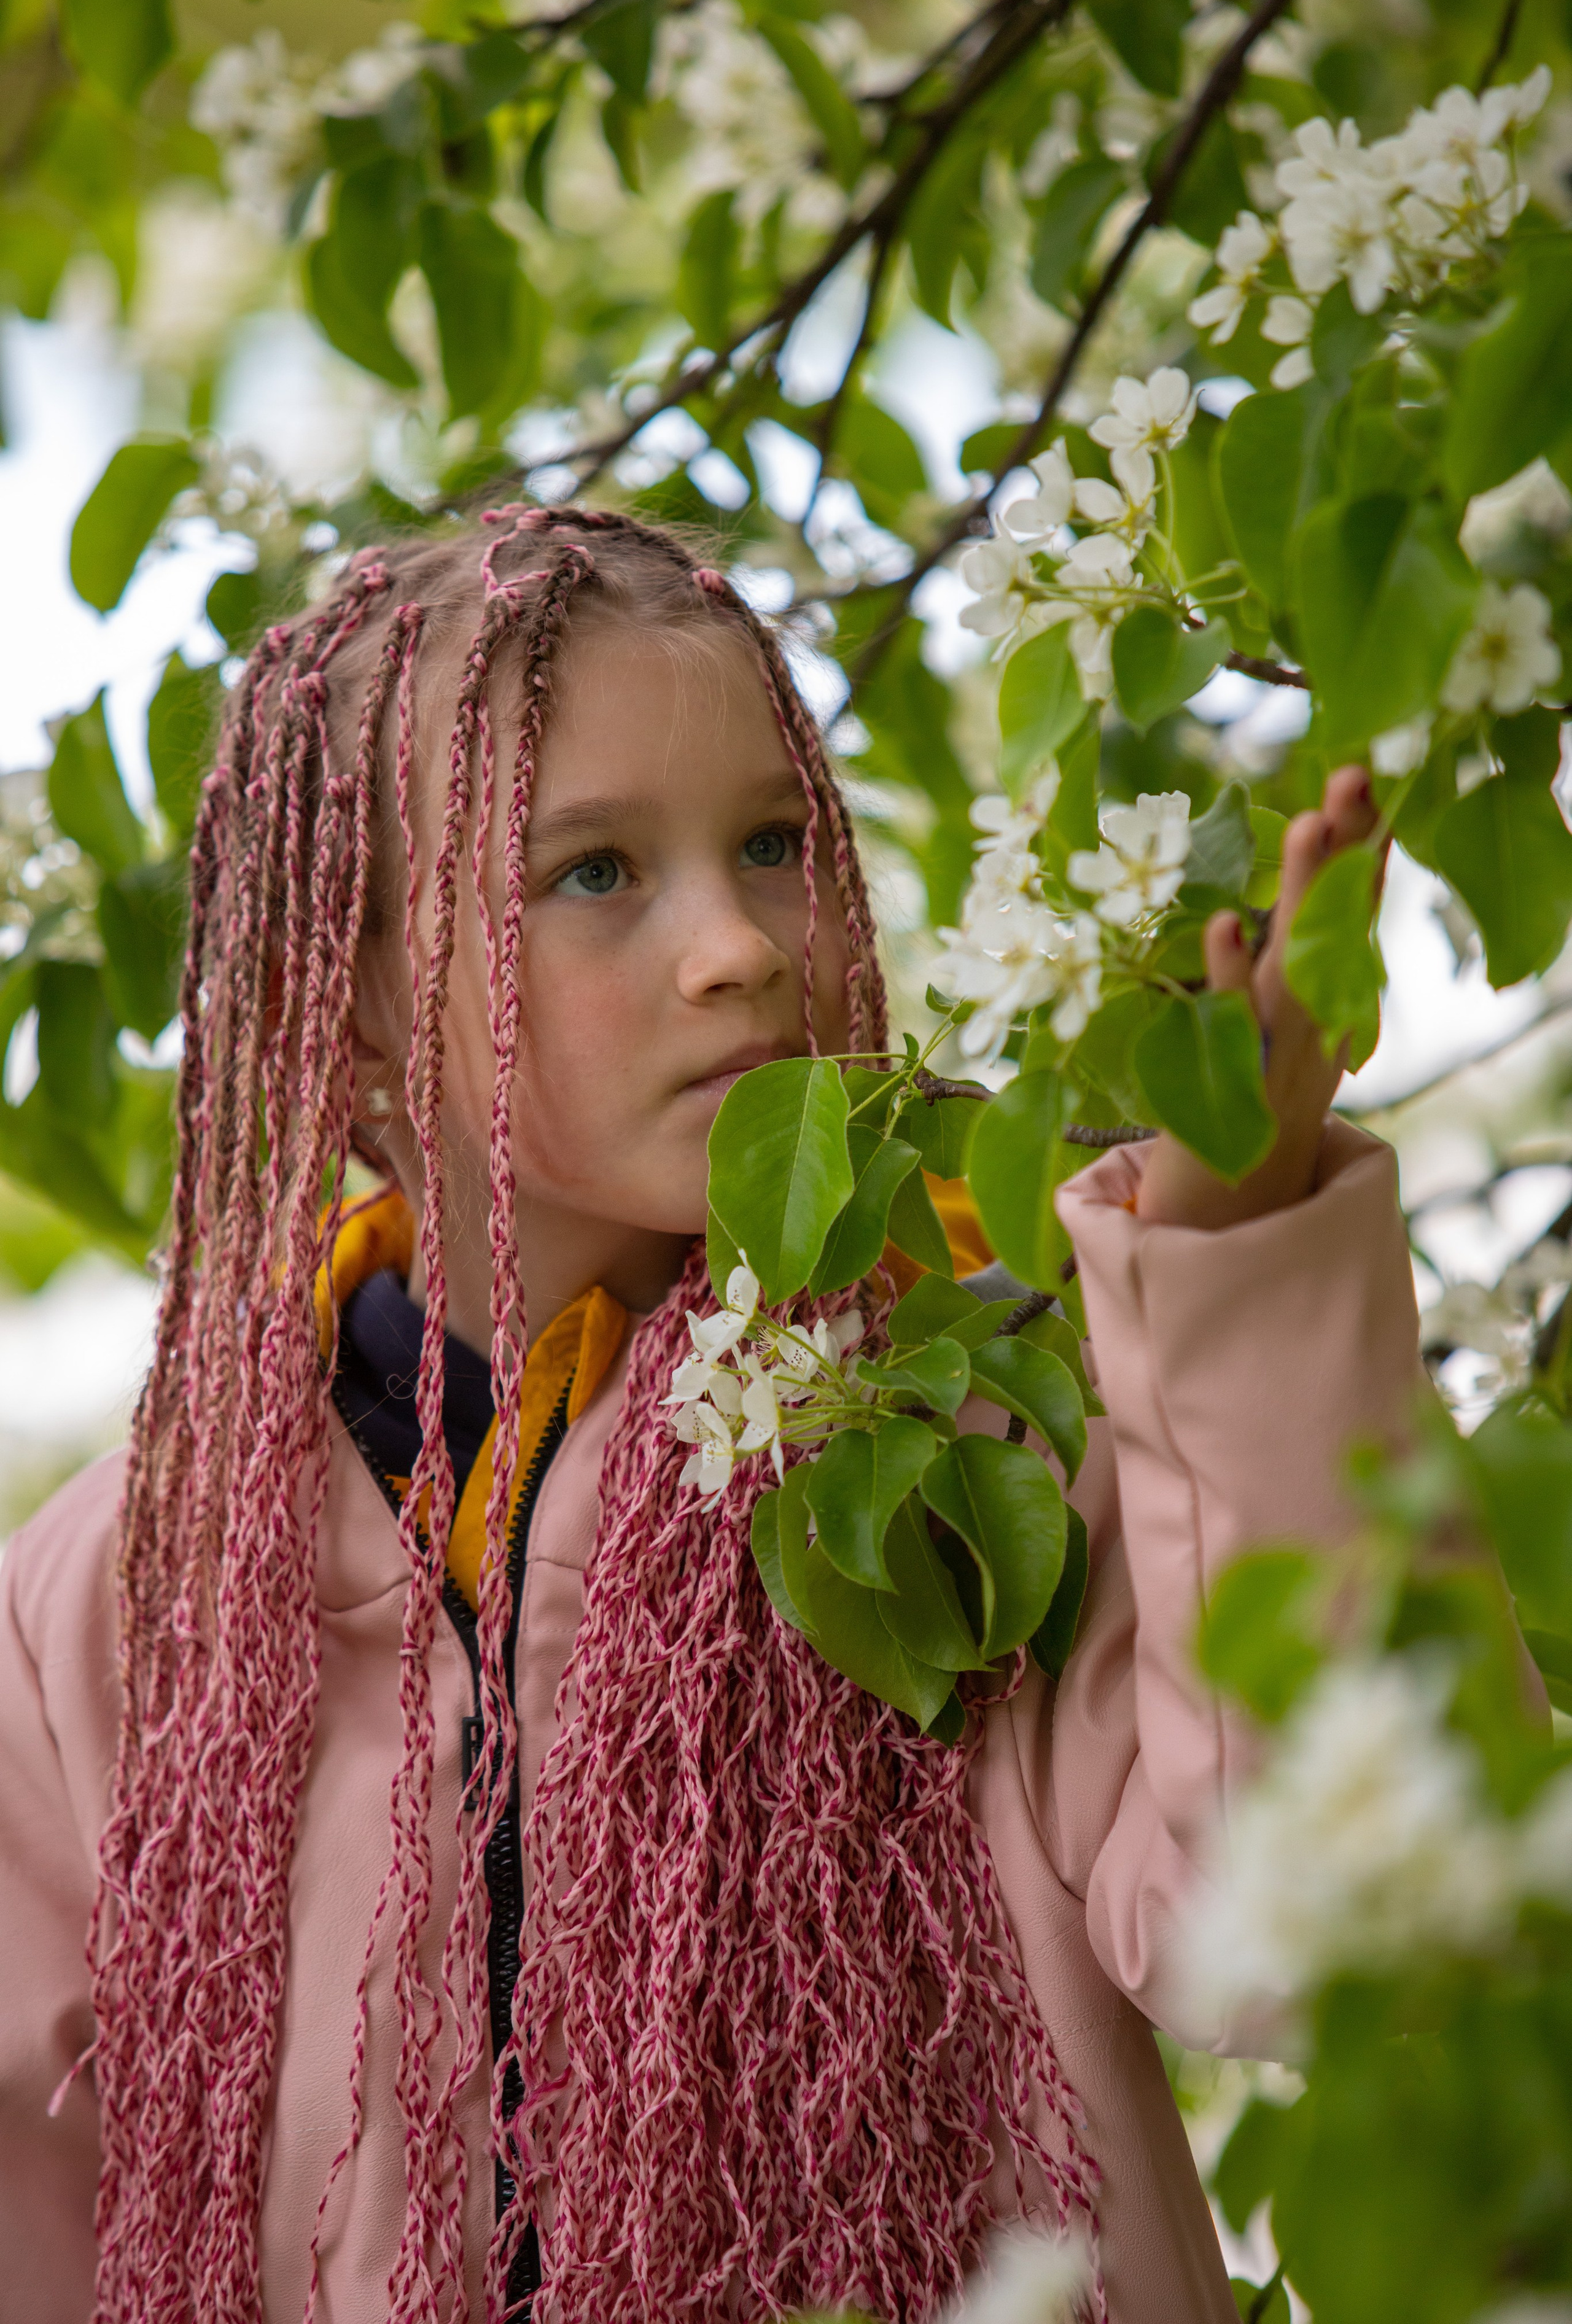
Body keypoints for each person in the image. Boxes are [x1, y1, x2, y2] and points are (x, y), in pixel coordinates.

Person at [0, 505, 1418, 2324]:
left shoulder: (973, 1436)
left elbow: (1332, 1944)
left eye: (772, 842)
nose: (741, 946)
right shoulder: (127, 1595)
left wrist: (1244, 1265)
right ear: (336, 1018)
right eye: (594, 872)